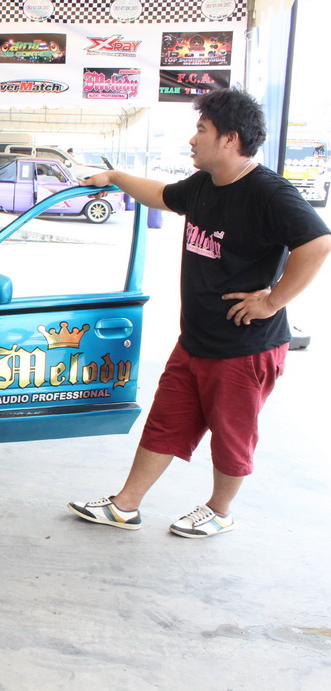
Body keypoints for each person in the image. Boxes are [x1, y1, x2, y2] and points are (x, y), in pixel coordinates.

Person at [68, 88, 331, 538]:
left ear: (230, 139)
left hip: (244, 348)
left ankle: (220, 510)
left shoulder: (267, 192)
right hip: (195, 339)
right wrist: (114, 177)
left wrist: (271, 301)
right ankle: (125, 506)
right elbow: (160, 194)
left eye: (201, 130)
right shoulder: (204, 184)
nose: (193, 139)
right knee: (165, 422)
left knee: (231, 436)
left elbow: (318, 243)